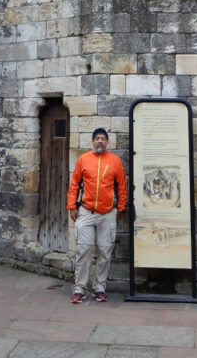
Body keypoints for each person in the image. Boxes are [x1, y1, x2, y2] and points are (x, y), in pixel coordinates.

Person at [66, 126, 126, 303]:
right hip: (86, 211)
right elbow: (74, 184)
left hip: (107, 213)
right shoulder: (83, 159)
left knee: (105, 252)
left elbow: (122, 187)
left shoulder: (114, 161)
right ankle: (79, 289)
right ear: (93, 141)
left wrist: (120, 208)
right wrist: (72, 206)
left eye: (103, 138)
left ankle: (100, 287)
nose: (100, 141)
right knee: (83, 250)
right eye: (97, 138)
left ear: (107, 142)